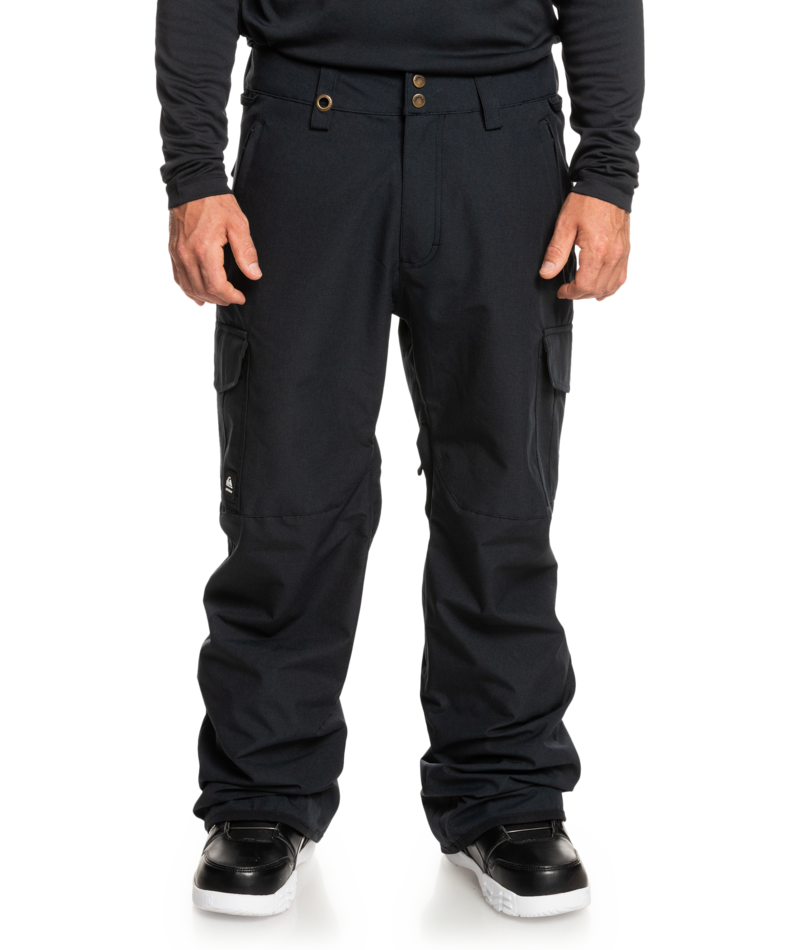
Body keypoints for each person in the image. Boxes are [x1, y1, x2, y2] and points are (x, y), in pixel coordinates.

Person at [154, 0, 645, 920]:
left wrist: (609, 171)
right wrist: (193, 172)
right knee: (287, 484)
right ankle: (261, 793)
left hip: (502, 137)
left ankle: (505, 789)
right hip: (308, 131)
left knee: (501, 490)